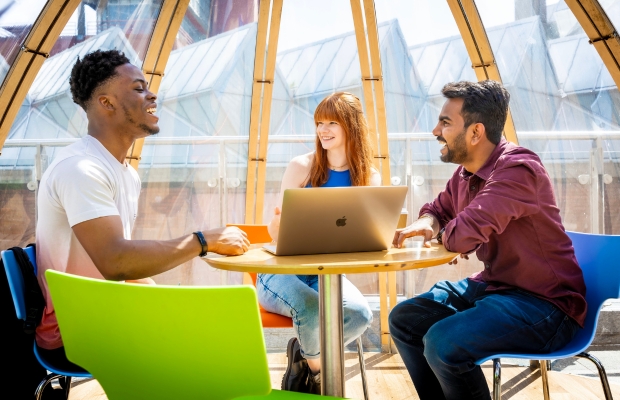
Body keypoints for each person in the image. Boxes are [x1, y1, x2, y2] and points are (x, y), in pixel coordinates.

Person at [35, 50, 249, 368]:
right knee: (217, 348)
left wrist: (160, 297)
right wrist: (204, 240)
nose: (152, 94)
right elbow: (115, 262)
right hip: (76, 334)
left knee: (224, 325)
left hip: (108, 316)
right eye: (138, 88)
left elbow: (117, 272)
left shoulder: (125, 174)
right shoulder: (81, 169)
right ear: (106, 102)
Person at [389, 80, 586, 400]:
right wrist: (427, 223)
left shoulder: (519, 170)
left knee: (443, 343)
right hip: (498, 287)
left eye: (445, 122)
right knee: (405, 320)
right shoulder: (467, 173)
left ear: (476, 132)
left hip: (547, 306)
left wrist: (447, 235)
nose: (435, 130)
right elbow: (439, 209)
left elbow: (466, 231)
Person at [260, 92, 380, 394]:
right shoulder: (301, 167)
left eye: (331, 123)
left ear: (351, 126)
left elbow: (364, 236)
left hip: (326, 277)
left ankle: (303, 354)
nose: (322, 130)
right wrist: (277, 226)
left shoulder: (368, 177)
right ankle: (319, 379)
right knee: (312, 312)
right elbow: (277, 233)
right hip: (280, 273)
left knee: (360, 315)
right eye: (319, 123)